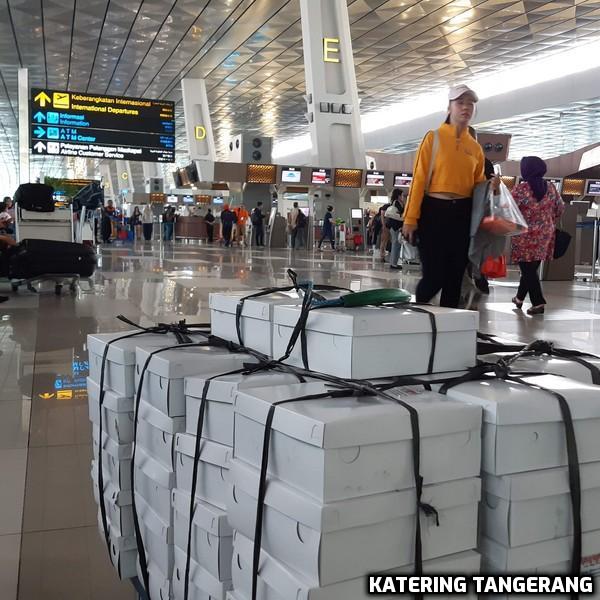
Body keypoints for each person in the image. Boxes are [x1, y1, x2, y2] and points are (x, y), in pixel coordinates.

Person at [402, 84, 493, 308]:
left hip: (462, 214)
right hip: (434, 211)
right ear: (449, 107)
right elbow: (419, 179)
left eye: (470, 104)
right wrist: (410, 219)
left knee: (455, 278)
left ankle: (449, 329)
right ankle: (421, 312)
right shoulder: (433, 138)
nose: (466, 108)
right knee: (434, 276)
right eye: (460, 103)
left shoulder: (475, 148)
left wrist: (493, 187)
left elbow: (479, 187)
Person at [510, 156, 564, 315]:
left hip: (524, 235)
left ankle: (538, 302)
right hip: (545, 235)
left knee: (527, 269)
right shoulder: (551, 188)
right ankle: (519, 298)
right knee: (531, 269)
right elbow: (560, 208)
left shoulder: (521, 189)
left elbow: (509, 209)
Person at [385, 190, 404, 270]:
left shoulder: (396, 202)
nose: (403, 197)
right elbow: (400, 215)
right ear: (398, 195)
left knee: (396, 245)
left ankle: (394, 263)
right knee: (395, 245)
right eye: (402, 195)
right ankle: (393, 264)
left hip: (395, 227)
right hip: (395, 227)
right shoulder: (396, 203)